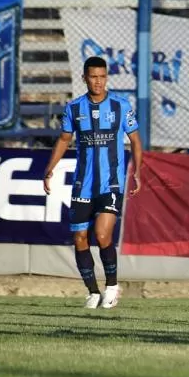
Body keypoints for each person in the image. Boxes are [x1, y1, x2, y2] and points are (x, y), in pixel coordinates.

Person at [43, 56, 143, 309]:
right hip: (82, 183)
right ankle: (92, 292)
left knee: (102, 234)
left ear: (106, 77)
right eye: (93, 77)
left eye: (102, 77)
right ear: (84, 78)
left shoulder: (120, 106)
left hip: (111, 183)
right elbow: (65, 139)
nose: (98, 82)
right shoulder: (74, 108)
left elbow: (136, 141)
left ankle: (112, 286)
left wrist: (137, 172)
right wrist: (50, 169)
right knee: (79, 238)